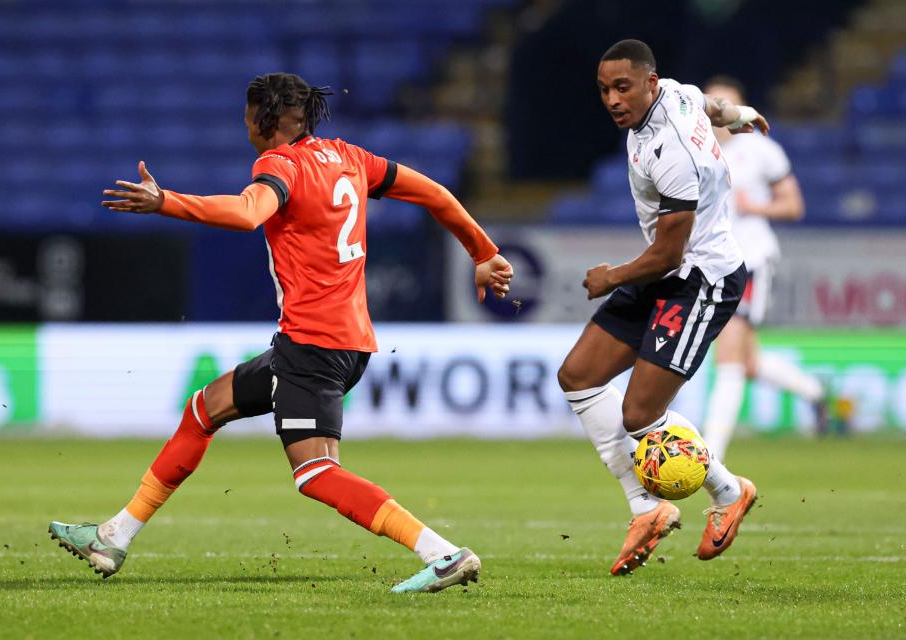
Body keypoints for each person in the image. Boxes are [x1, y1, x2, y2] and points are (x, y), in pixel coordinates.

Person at [48, 72, 514, 594]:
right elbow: (433, 192)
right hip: (343, 340)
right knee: (205, 408)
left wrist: (167, 202)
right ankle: (115, 535)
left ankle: (442, 552)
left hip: (313, 346)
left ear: (264, 120)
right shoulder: (349, 157)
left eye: (248, 115)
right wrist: (483, 251)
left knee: (315, 474)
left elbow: (250, 213)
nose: (244, 125)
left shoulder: (279, 164)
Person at [557, 40, 764, 575]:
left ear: (649, 82)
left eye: (622, 87)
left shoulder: (673, 153)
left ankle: (727, 491)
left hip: (700, 278)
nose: (612, 99)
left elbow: (669, 252)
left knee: (639, 415)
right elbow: (710, 105)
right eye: (604, 89)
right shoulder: (676, 93)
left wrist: (611, 276)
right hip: (666, 269)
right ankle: (646, 506)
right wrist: (740, 115)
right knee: (578, 374)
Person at [701, 75, 845, 461]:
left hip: (750, 260)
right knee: (745, 362)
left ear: (740, 111)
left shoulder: (761, 150)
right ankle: (815, 393)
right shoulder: (695, 151)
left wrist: (755, 206)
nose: (720, 113)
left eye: (727, 105)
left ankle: (709, 458)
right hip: (709, 264)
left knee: (728, 355)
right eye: (714, 105)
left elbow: (793, 206)